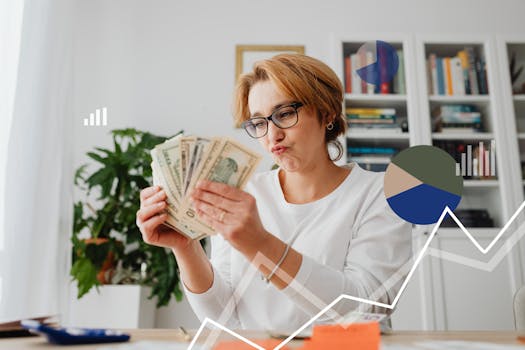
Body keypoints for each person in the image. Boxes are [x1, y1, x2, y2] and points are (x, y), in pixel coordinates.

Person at [136, 54, 412, 331]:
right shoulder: (242, 194)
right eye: (259, 122)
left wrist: (259, 244)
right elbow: (222, 318)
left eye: (284, 114)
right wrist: (185, 248)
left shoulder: (380, 194)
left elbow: (368, 309)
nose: (272, 134)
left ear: (326, 113)